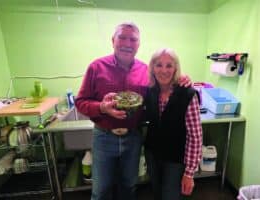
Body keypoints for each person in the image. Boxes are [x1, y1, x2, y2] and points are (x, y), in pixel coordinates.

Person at [75, 22, 191, 200]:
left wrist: (181, 79)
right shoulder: (96, 67)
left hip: (133, 137)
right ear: (113, 40)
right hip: (104, 137)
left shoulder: (146, 70)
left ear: (138, 44)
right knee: (100, 189)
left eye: (133, 39)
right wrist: (101, 108)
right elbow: (81, 102)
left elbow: (164, 85)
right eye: (122, 37)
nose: (127, 43)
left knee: (129, 186)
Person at [144, 48, 203, 200]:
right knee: (157, 194)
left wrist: (189, 173)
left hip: (175, 160)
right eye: (159, 65)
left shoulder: (187, 94)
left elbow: (195, 137)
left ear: (176, 68)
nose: (164, 70)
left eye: (169, 65)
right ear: (152, 67)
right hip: (153, 155)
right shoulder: (150, 91)